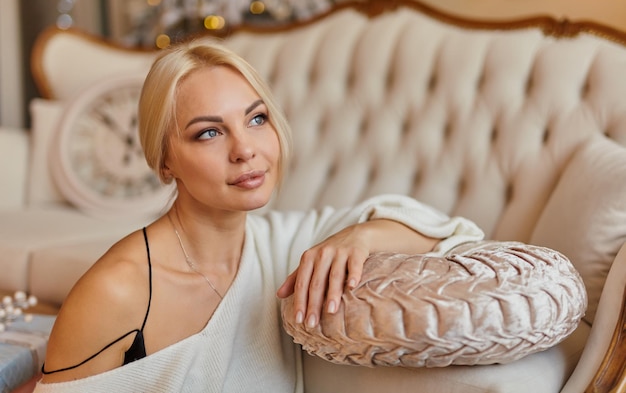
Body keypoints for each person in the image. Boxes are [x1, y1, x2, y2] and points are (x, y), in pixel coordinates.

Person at [34, 37, 484, 392]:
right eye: (208, 132)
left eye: (256, 119)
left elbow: (447, 230)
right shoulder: (116, 290)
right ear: (164, 161)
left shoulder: (284, 246)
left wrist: (358, 239)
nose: (245, 149)